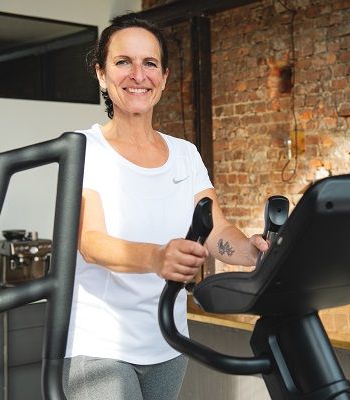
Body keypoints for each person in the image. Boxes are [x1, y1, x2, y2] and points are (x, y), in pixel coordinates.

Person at [63, 12, 268, 400]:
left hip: (168, 340)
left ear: (164, 78)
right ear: (101, 74)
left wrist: (252, 251)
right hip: (99, 344)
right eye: (123, 62)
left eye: (150, 63)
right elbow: (91, 242)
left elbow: (213, 229)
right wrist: (158, 258)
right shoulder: (83, 147)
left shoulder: (185, 154)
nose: (138, 75)